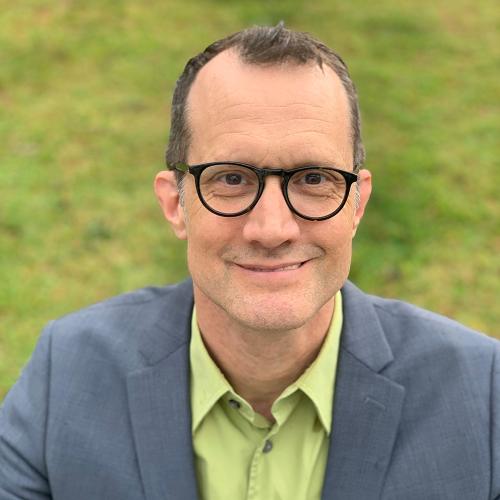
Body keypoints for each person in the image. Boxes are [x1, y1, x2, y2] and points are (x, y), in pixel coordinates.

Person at [0, 24, 498, 500]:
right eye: (232, 179)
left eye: (313, 178)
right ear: (176, 204)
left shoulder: (485, 396)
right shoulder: (64, 374)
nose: (272, 230)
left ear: (357, 204)